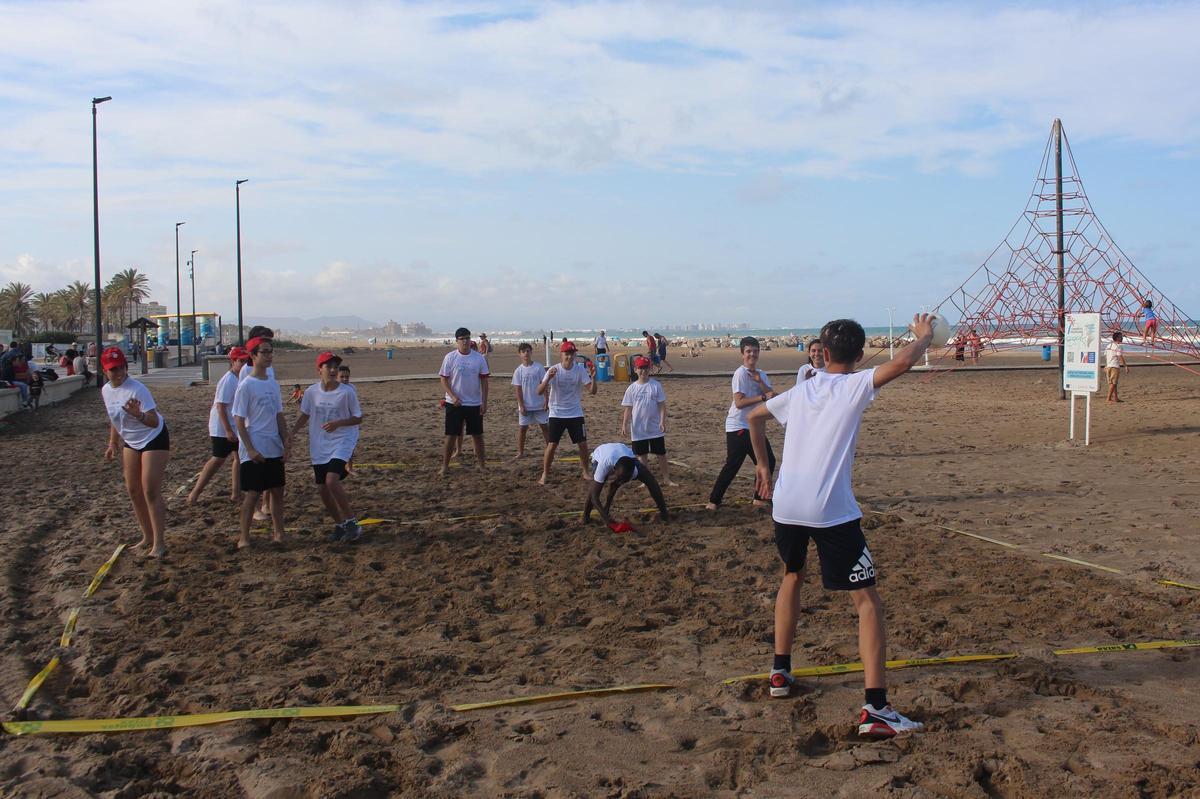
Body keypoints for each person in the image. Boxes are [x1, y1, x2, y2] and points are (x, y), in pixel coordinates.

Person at [745, 315, 934, 737]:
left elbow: (753, 418)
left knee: (792, 575)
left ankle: (780, 672)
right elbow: (901, 364)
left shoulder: (803, 389)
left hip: (786, 506)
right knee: (867, 601)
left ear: (823, 353)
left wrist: (761, 464)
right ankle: (877, 710)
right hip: (829, 511)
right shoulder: (854, 386)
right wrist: (924, 338)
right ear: (859, 356)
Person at [99, 347, 170, 557]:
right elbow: (114, 419)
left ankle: (159, 543)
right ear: (105, 371)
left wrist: (138, 415)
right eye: (113, 369)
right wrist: (112, 443)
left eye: (121, 367)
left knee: (150, 490)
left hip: (153, 436)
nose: (119, 372)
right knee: (133, 490)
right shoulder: (106, 390)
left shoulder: (137, 389)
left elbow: (154, 420)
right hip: (131, 440)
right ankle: (146, 536)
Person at [287, 352, 364, 543]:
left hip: (342, 441)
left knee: (331, 481)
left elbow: (358, 417)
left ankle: (352, 523)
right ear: (319, 370)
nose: (332, 370)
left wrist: (338, 423)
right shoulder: (312, 392)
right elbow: (305, 414)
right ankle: (339, 524)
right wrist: (292, 433)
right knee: (322, 488)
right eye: (328, 366)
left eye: (335, 367)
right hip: (319, 444)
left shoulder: (347, 392)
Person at [705, 336, 777, 511]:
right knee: (733, 464)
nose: (752, 354)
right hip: (738, 425)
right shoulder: (740, 373)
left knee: (768, 461)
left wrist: (761, 383)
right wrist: (761, 397)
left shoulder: (761, 374)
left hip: (754, 426)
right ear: (742, 354)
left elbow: (772, 396)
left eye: (755, 351)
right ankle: (713, 502)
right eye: (748, 351)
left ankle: (758, 498)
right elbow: (739, 402)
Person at [232, 336, 288, 549]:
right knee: (252, 494)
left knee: (277, 491)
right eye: (264, 352)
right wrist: (250, 448)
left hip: (273, 445)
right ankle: (244, 537)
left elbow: (279, 415)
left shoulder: (272, 383)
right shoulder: (246, 385)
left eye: (270, 351)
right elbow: (238, 419)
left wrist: (286, 442)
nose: (269, 356)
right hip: (254, 447)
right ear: (253, 356)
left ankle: (279, 532)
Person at [187, 347, 249, 506]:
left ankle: (236, 493)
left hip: (234, 425)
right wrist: (227, 429)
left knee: (239, 457)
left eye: (245, 361)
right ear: (233, 362)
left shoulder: (241, 378)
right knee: (218, 459)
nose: (243, 364)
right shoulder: (228, 379)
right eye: (240, 361)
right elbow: (220, 405)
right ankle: (195, 493)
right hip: (221, 426)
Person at [537, 340, 596, 485]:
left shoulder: (580, 370)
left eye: (572, 354)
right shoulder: (554, 369)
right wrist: (548, 379)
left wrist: (593, 377)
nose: (569, 357)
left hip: (575, 413)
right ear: (561, 354)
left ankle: (586, 471)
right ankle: (545, 473)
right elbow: (539, 391)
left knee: (582, 443)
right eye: (566, 354)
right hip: (556, 413)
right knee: (552, 445)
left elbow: (592, 391)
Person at [583, 442, 671, 529]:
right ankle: (585, 517)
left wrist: (664, 513)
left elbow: (654, 485)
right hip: (600, 454)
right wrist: (607, 520)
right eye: (621, 479)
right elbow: (594, 497)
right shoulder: (604, 464)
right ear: (614, 470)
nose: (622, 483)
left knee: (649, 481)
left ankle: (664, 514)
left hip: (623, 454)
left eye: (626, 479)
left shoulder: (635, 469)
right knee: (595, 488)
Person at [439, 327, 490, 476]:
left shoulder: (478, 358)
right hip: (454, 403)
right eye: (462, 339)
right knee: (451, 435)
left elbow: (485, 381)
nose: (466, 341)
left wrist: (484, 401)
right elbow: (443, 379)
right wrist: (453, 396)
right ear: (457, 341)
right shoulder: (450, 357)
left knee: (477, 435)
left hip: (474, 403)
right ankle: (445, 466)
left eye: (467, 338)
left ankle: (481, 465)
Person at [621, 356, 674, 486]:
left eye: (645, 368)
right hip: (638, 428)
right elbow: (628, 409)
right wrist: (624, 425)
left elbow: (662, 406)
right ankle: (646, 480)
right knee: (641, 455)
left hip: (655, 427)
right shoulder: (631, 388)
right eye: (640, 368)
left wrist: (662, 421)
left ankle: (666, 479)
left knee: (661, 453)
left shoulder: (656, 385)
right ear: (635, 370)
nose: (643, 371)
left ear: (650, 369)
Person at [512, 342, 549, 459]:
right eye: (523, 352)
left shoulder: (538, 367)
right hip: (526, 406)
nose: (526, 354)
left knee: (544, 427)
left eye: (528, 351)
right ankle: (521, 452)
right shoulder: (518, 370)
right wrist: (521, 405)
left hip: (539, 404)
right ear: (520, 354)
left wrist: (546, 400)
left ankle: (550, 449)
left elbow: (544, 385)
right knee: (522, 428)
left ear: (531, 352)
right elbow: (518, 390)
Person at [337, 364, 357, 474]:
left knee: (350, 445)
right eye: (342, 377)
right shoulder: (333, 388)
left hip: (349, 422)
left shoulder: (352, 387)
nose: (345, 379)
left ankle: (349, 467)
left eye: (347, 377)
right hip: (336, 423)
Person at [1105, 331, 1129, 403]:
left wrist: (1106, 365)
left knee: (1113, 383)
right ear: (1117, 338)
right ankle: (1108, 399)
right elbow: (1120, 356)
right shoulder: (1118, 346)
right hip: (1114, 366)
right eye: (1121, 337)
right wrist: (1125, 366)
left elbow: (1106, 356)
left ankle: (1115, 398)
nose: (1122, 338)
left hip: (1108, 366)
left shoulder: (1108, 345)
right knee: (1113, 383)